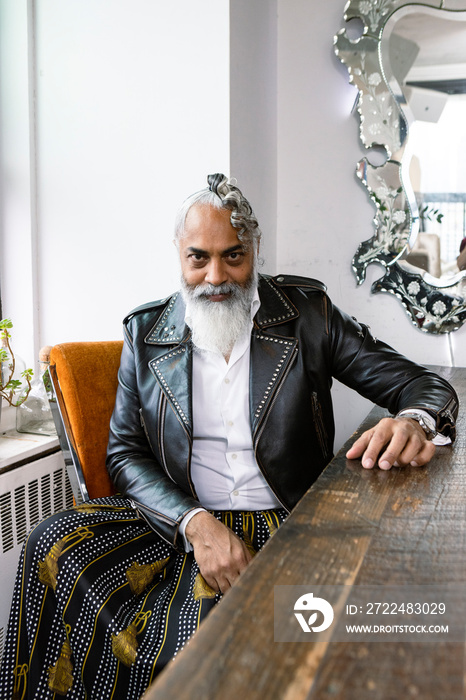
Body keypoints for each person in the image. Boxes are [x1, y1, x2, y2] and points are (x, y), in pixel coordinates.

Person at [0, 174, 458, 699]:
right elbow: (125, 453)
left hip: (289, 519)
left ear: (256, 251)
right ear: (179, 254)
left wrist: (415, 420)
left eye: (233, 256)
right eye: (199, 258)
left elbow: (423, 384)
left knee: (215, 649)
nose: (216, 276)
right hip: (184, 522)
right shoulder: (145, 334)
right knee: (49, 543)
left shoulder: (309, 315)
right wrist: (194, 524)